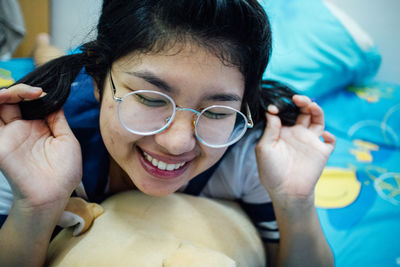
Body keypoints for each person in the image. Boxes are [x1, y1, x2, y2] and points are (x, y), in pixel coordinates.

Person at [0, 0, 336, 266]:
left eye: (216, 111)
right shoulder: (33, 138)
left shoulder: (254, 150)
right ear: (100, 82)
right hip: (77, 81)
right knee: (52, 59)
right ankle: (44, 45)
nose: (176, 142)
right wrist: (35, 206)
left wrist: (297, 203)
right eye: (149, 98)